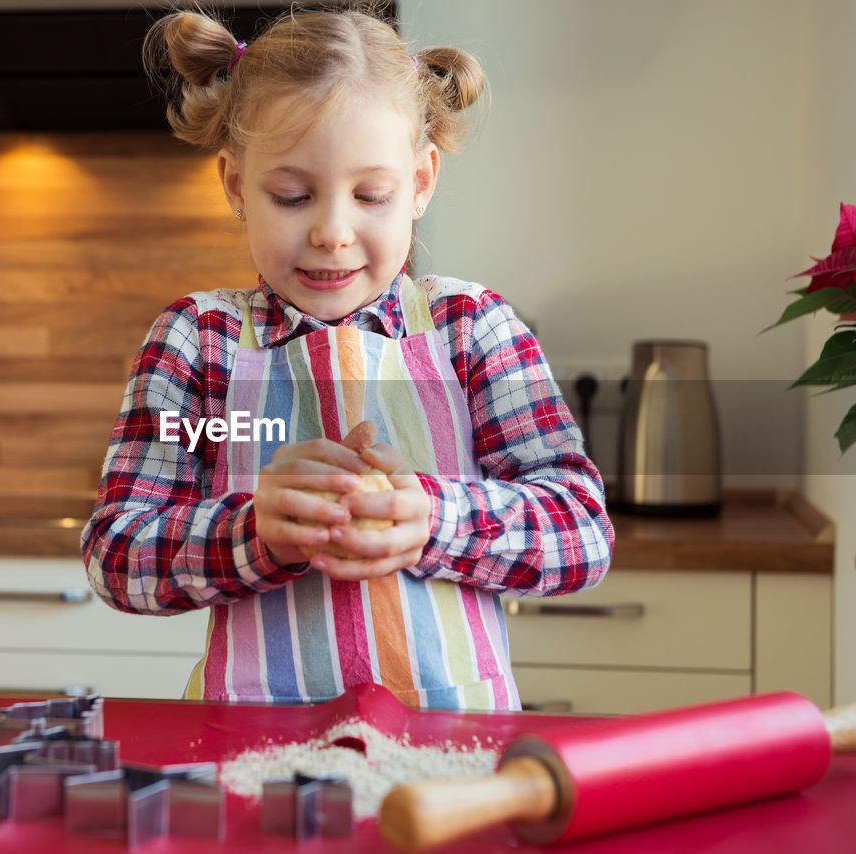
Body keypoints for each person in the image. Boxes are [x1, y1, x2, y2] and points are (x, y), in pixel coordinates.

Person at [82, 5, 614, 711]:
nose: (333, 232)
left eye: (371, 195)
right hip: (252, 752)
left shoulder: (473, 330)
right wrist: (254, 532)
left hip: (454, 752)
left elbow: (579, 532)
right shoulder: (198, 343)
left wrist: (431, 515)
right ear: (237, 185)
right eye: (292, 195)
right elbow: (118, 556)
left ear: (421, 183)